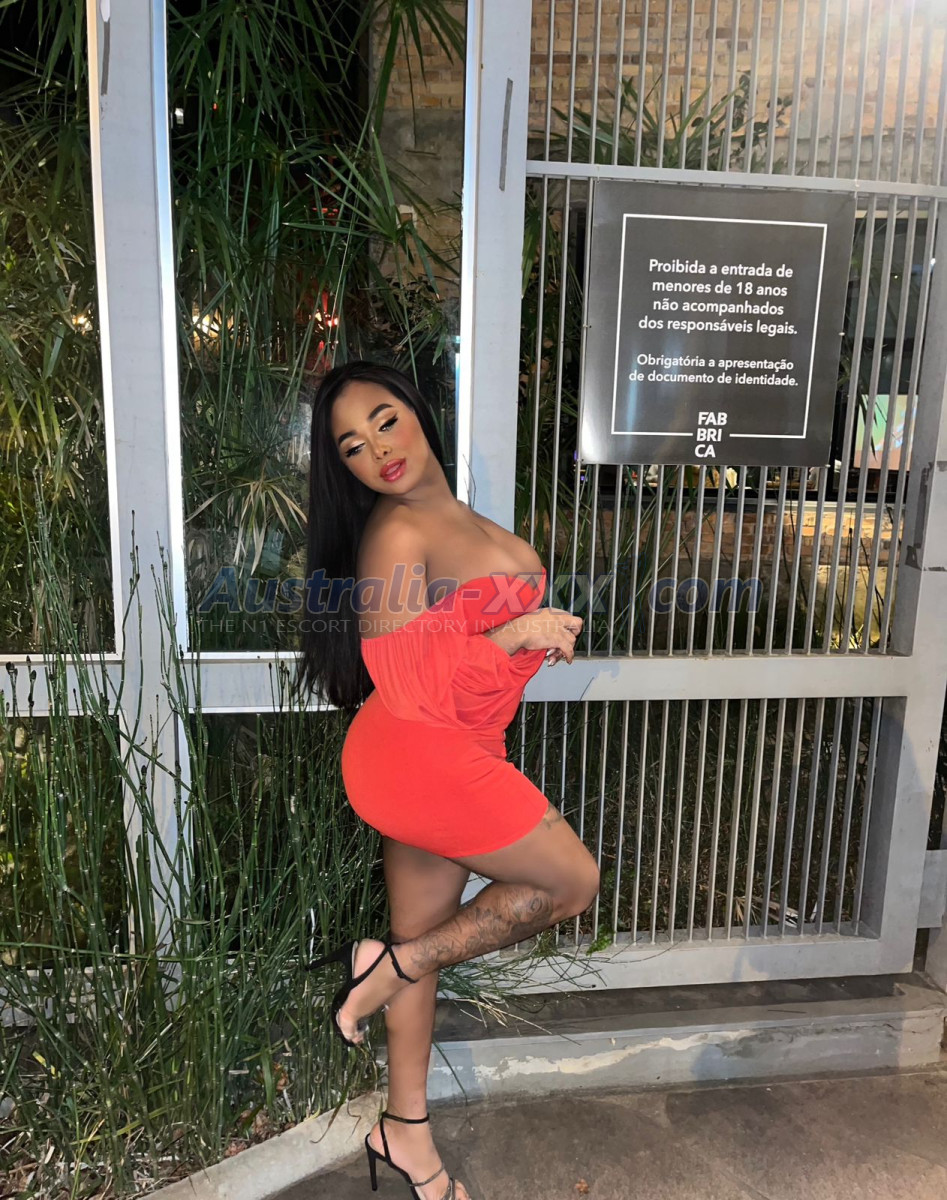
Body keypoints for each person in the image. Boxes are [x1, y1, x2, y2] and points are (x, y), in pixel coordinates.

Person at [297, 360, 600, 1200]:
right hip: (414, 751)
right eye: (351, 446)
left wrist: (528, 639)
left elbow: (466, 668)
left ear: (417, 411)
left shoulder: (464, 520)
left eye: (384, 421)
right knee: (570, 881)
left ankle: (405, 1131)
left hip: (464, 748)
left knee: (422, 941)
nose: (377, 450)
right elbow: (408, 687)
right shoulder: (395, 533)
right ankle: (385, 967)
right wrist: (516, 635)